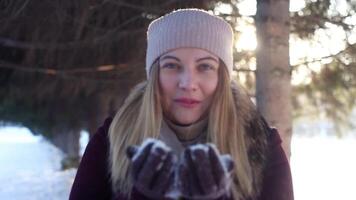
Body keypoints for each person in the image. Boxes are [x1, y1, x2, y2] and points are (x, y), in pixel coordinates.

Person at [69, 8, 294, 200]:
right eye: (171, 66)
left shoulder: (261, 145)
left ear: (222, 78)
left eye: (205, 67)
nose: (188, 83)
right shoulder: (113, 138)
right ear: (154, 74)